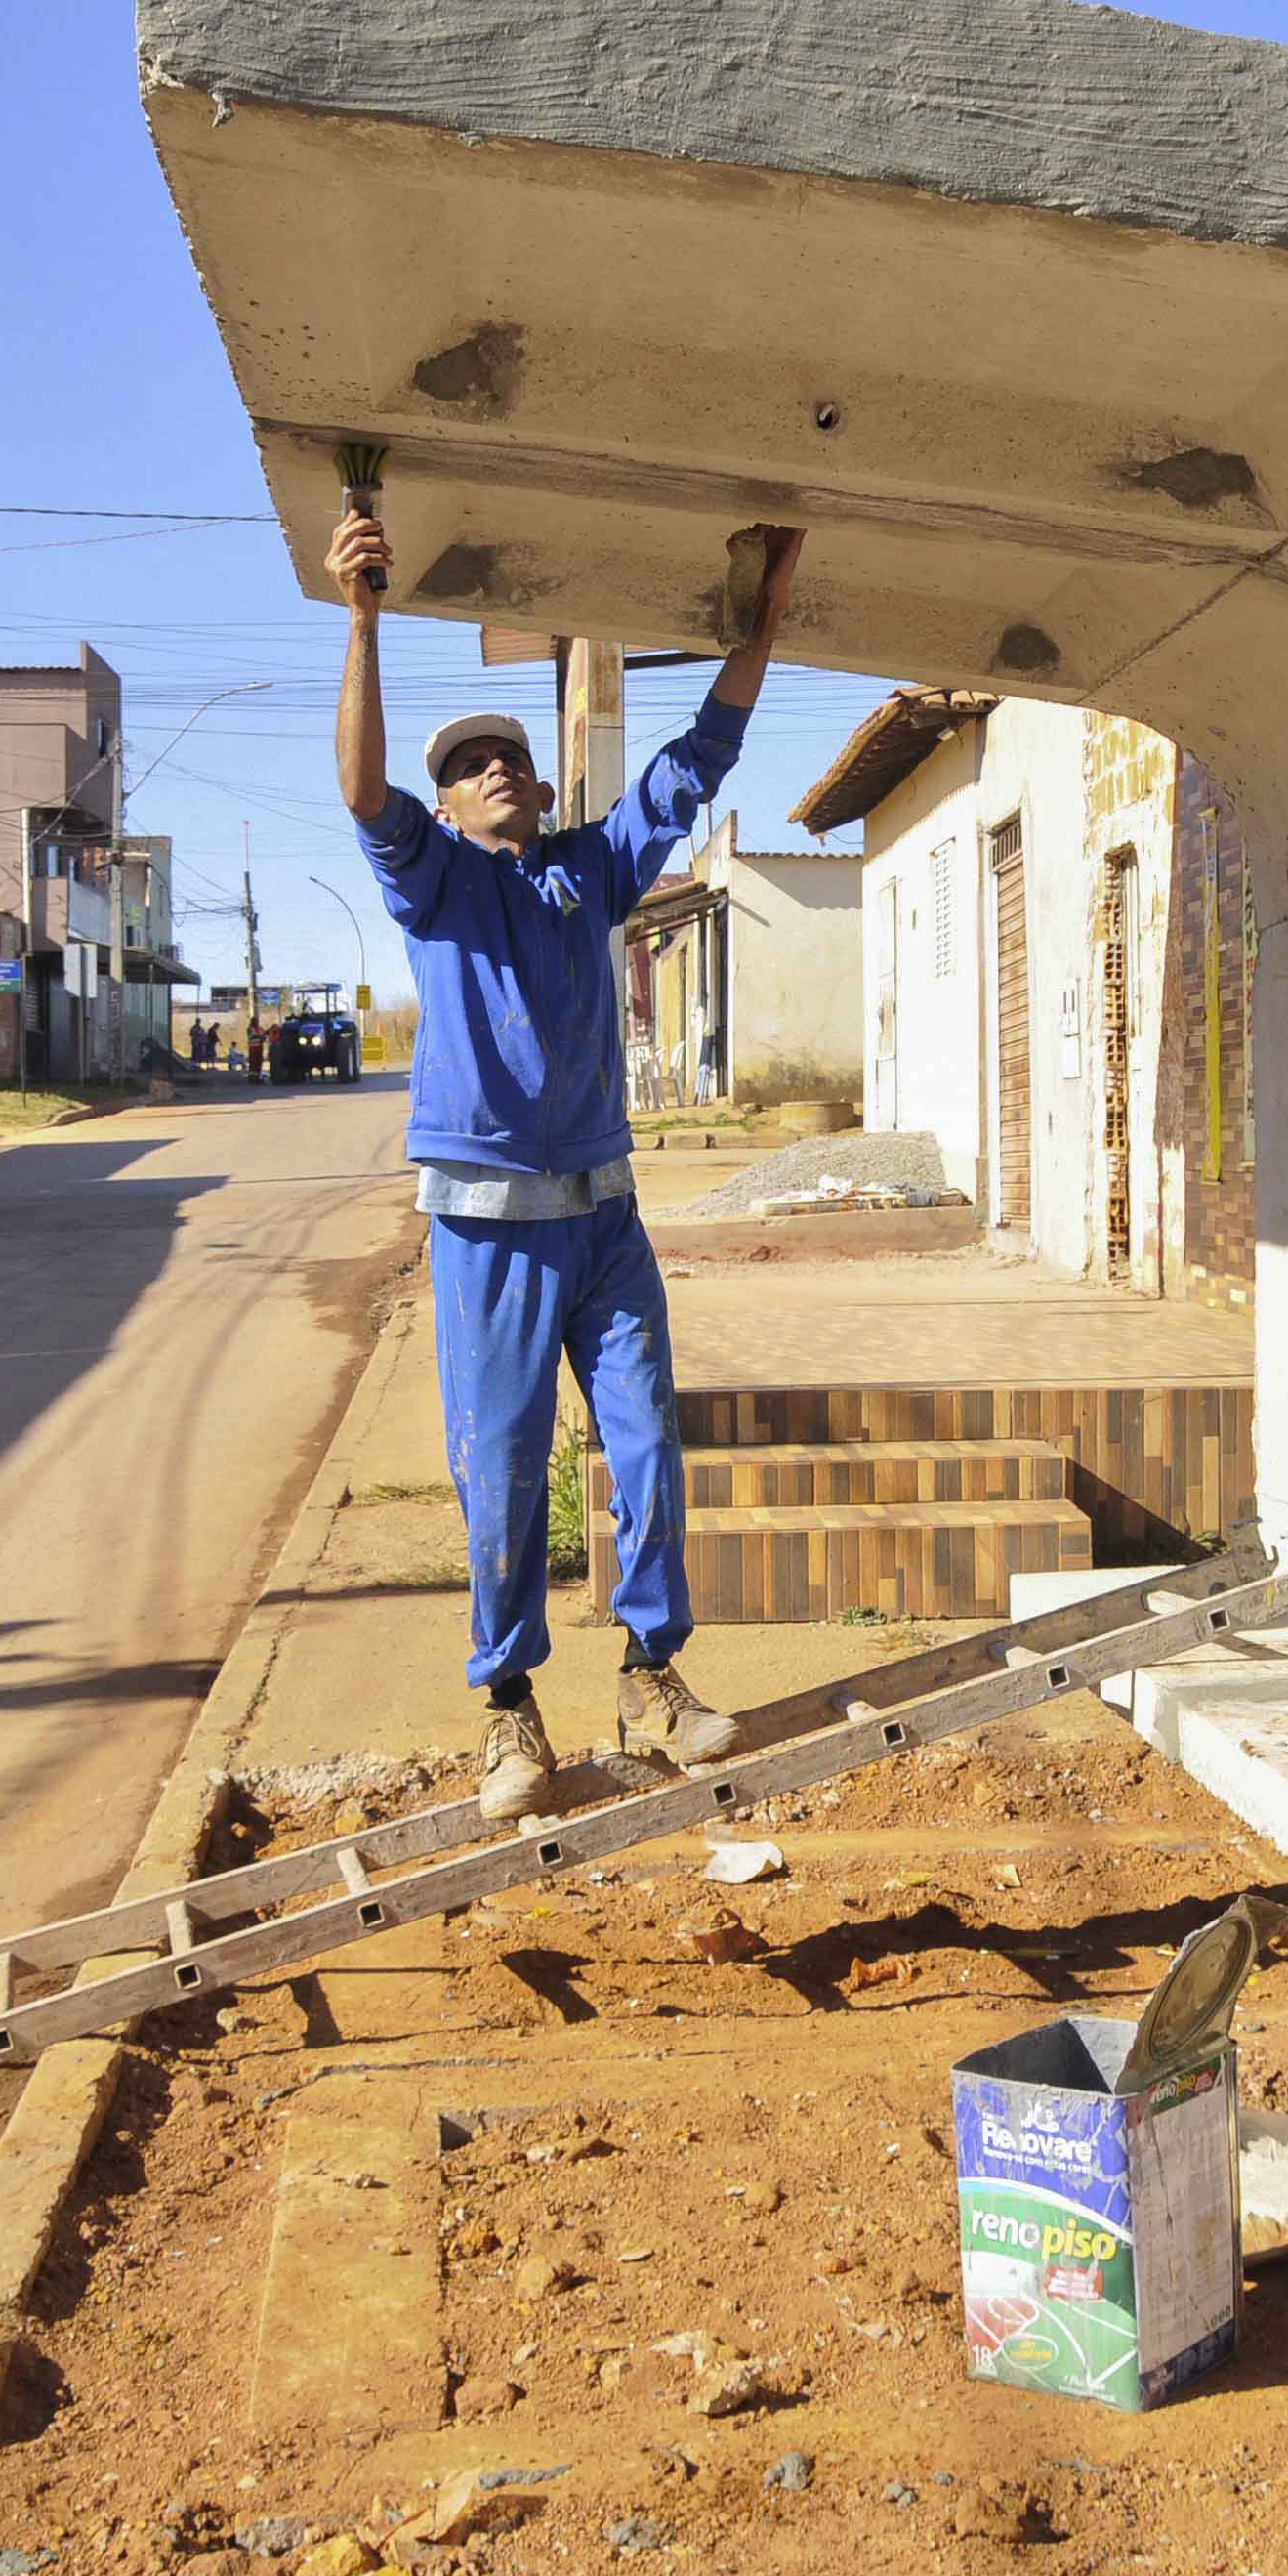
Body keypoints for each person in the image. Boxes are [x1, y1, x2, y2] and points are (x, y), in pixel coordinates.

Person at [328, 503, 804, 1820]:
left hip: (604, 1220)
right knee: (501, 1475)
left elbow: (700, 757)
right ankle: (508, 1713)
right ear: (444, 802)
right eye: (468, 765)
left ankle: (652, 1677)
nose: (493, 770)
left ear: (542, 790)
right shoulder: (433, 881)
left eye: (510, 760)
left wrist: (763, 625)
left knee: (647, 1447)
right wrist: (364, 616)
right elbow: (361, 790)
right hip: (485, 1228)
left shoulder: (589, 870)